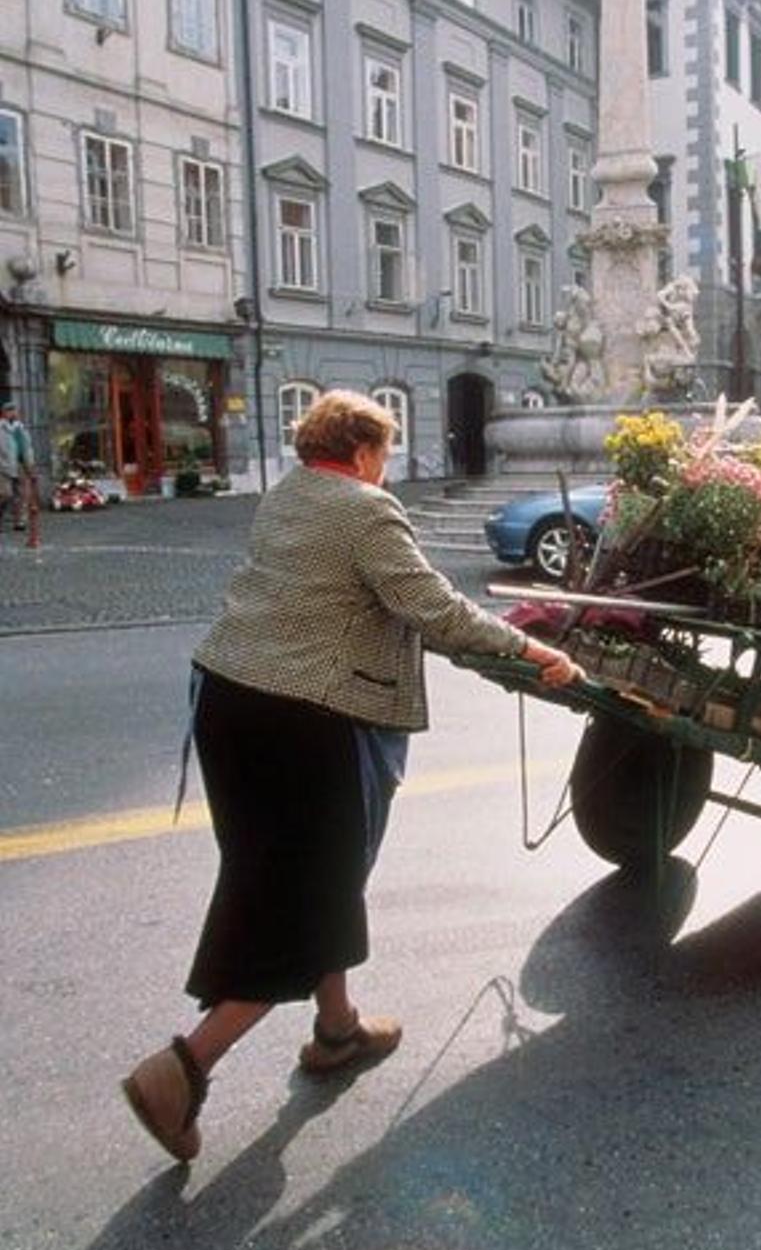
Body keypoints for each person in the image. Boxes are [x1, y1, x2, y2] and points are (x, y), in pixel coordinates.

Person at [122, 390, 580, 1163]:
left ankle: (336, 1028)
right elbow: (432, 608)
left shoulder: (287, 496)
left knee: (294, 878)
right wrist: (537, 651)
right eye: (386, 456)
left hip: (228, 704)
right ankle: (182, 1069)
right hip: (306, 721)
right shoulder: (366, 509)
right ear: (366, 450)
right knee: (300, 901)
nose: (387, 471)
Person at [0, 397, 34, 533]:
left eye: (14, 410)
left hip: (20, 464)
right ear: (3, 413)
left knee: (22, 495)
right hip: (3, 466)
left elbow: (28, 447)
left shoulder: (21, 428)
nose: (12, 413)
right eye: (9, 411)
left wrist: (30, 463)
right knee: (5, 494)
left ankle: (19, 521)